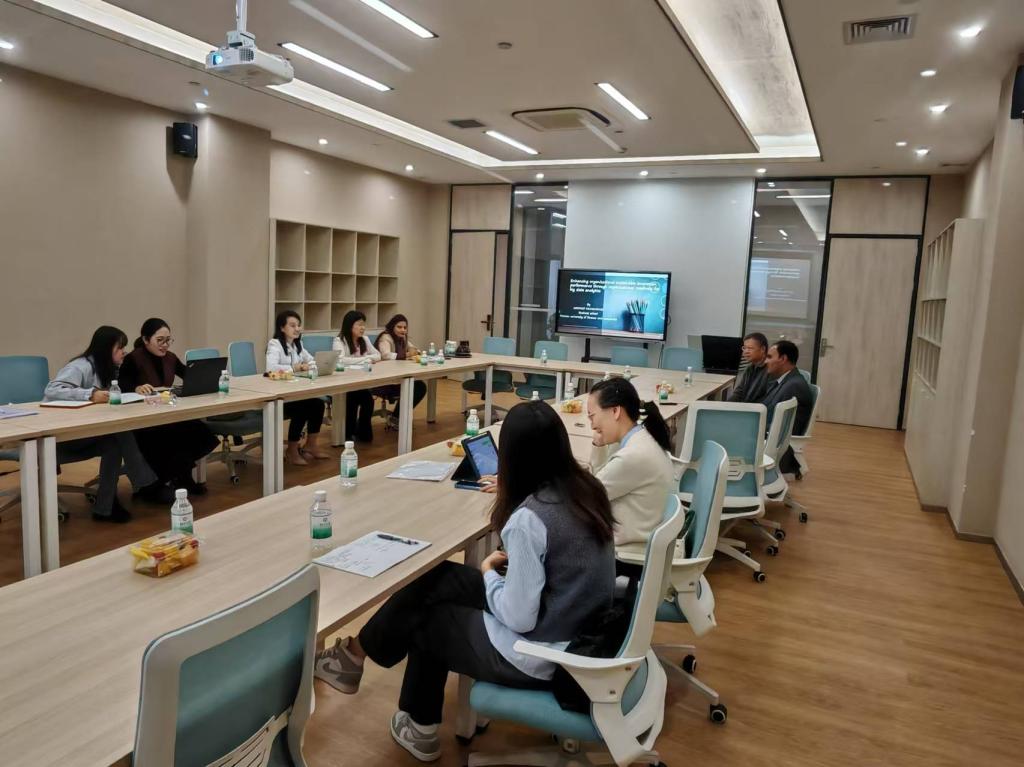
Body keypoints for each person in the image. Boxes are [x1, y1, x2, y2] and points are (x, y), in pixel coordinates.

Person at [313, 401, 616, 762]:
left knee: (429, 619)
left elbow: (520, 617)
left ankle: (419, 728)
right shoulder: (586, 489)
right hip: (582, 631)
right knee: (436, 577)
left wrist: (488, 573)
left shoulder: (530, 519)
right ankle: (352, 657)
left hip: (545, 652)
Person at [43, 326, 172, 522]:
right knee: (120, 433)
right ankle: (146, 482)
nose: (123, 352)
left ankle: (105, 507)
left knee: (114, 443)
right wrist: (90, 394)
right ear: (105, 349)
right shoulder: (80, 367)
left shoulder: (107, 368)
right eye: (120, 348)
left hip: (84, 433)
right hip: (61, 437)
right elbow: (52, 389)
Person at [117, 318, 218, 495]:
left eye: (168, 340)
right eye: (160, 340)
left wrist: (206, 378)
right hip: (143, 418)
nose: (164, 345)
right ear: (146, 339)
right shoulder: (133, 358)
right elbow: (122, 384)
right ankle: (159, 483)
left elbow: (187, 374)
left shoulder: (170, 358)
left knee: (197, 430)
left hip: (166, 411)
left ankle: (183, 477)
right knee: (168, 435)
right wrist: (136, 387)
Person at [587, 377, 675, 550]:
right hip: (645, 540)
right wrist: (598, 445)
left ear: (615, 411)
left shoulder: (633, 456)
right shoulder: (642, 437)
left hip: (631, 551)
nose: (592, 425)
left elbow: (589, 497)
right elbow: (599, 483)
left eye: (592, 416)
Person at [266, 310, 329, 465]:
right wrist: (296, 367)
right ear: (282, 328)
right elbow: (271, 368)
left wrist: (310, 365)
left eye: (298, 325)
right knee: (302, 407)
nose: (297, 329)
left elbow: (312, 361)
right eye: (292, 325)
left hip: (295, 390)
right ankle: (292, 450)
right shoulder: (275, 344)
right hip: (278, 394)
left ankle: (311, 445)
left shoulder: (298, 344)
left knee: (318, 404)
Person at [760, 339, 813, 474]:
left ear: (783, 359)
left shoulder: (793, 386)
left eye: (769, 357)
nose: (765, 361)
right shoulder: (786, 380)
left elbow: (775, 423)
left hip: (777, 443)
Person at [373, 314, 427, 428]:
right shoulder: (386, 337)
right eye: (399, 327)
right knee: (415, 386)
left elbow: (415, 350)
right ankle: (397, 418)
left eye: (405, 327)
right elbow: (385, 355)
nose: (403, 330)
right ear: (392, 326)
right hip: (383, 380)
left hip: (398, 377)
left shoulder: (403, 338)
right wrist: (407, 354)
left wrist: (413, 350)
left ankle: (396, 417)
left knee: (420, 386)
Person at [337, 310, 381, 442]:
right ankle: (348, 432)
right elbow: (340, 360)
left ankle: (362, 431)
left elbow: (378, 355)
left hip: (361, 381)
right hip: (345, 382)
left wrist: (366, 358)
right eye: (359, 324)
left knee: (368, 400)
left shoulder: (365, 339)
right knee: (352, 399)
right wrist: (365, 359)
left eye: (363, 324)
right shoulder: (339, 341)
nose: (363, 328)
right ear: (350, 325)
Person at [729, 332, 770, 403]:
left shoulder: (771, 369)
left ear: (763, 349)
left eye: (750, 348)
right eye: (744, 348)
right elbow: (739, 392)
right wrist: (725, 405)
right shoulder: (749, 368)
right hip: (745, 406)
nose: (746, 351)